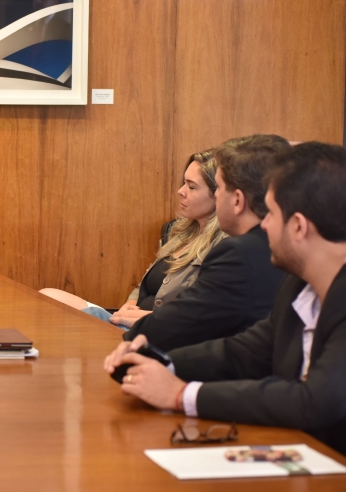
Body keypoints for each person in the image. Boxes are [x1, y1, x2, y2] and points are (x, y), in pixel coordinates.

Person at [104, 142, 346, 455]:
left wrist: (181, 395)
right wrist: (158, 363)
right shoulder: (298, 286)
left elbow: (315, 400)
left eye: (270, 213)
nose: (264, 224)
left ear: (298, 226)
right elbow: (242, 352)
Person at [117, 135, 290, 351]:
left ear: (237, 200)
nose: (181, 191)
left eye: (218, 189)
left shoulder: (239, 252)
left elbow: (188, 323)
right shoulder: (268, 244)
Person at [40, 149, 225, 327]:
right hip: (127, 322)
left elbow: (202, 318)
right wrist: (130, 302)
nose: (181, 191)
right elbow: (146, 284)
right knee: (47, 297)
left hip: (156, 332)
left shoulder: (225, 247)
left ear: (219, 195)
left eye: (191, 187)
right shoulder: (180, 231)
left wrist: (144, 317)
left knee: (58, 320)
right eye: (183, 183)